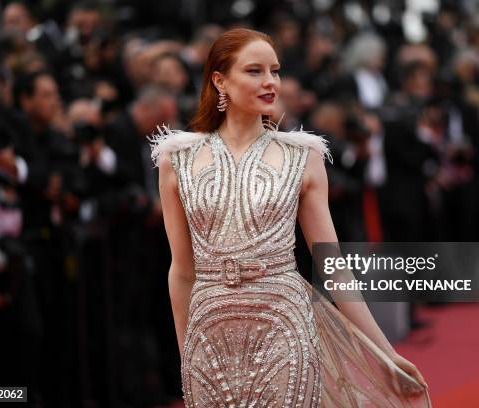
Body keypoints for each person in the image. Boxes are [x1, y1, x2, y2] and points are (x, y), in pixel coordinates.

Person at [151, 28, 431, 407]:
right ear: (220, 80)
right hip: (208, 331)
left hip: (285, 326)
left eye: (275, 71)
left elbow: (331, 264)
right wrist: (187, 354)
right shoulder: (176, 160)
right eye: (254, 71)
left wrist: (384, 353)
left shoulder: (304, 157)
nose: (270, 82)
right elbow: (182, 271)